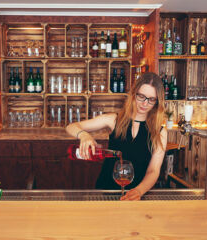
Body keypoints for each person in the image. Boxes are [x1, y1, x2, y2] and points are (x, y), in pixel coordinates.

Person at [66, 72, 167, 200]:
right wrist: (84, 135)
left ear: (157, 102)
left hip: (137, 196)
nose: (144, 103)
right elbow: (71, 127)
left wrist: (138, 191)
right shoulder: (114, 120)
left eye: (151, 99)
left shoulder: (159, 132)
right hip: (106, 191)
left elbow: (154, 170)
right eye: (141, 96)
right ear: (133, 94)